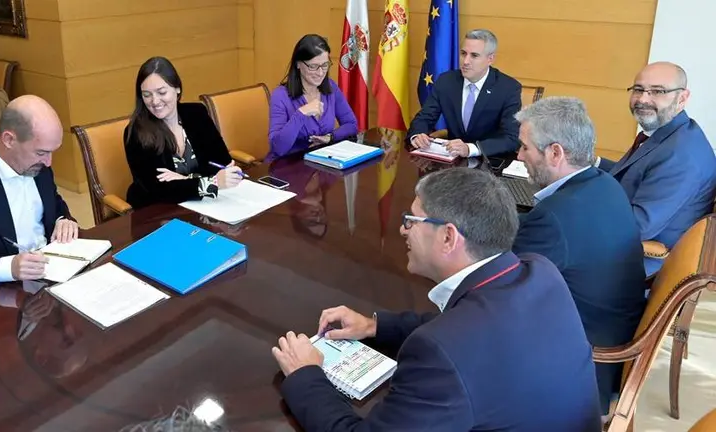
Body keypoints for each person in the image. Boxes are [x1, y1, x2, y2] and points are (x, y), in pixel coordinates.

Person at [271, 168, 602, 431]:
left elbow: (450, 342)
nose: (403, 230)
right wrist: (375, 326)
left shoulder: (439, 353)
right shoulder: (538, 271)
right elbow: (463, 328)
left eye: (411, 221)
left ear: (448, 237)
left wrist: (305, 374)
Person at [512, 96, 647, 416]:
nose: (519, 155)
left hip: (582, 368)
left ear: (555, 152)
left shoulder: (555, 216)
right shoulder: (603, 184)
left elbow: (501, 288)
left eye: (525, 147)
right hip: (609, 330)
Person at [0, 95, 79, 290]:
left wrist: (62, 219)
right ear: (9, 139)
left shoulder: (37, 165)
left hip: (55, 274)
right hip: (3, 295)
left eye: (52, 152)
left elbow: (54, 201)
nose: (48, 162)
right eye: (41, 152)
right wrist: (9, 267)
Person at [597, 62, 716, 275]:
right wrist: (592, 162)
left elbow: (638, 227)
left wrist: (578, 212)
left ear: (682, 98)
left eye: (658, 91)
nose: (643, 99)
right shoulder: (670, 134)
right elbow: (637, 176)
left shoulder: (681, 154)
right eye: (638, 89)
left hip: (633, 266)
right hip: (620, 248)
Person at [123, 56, 244, 209]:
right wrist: (210, 183)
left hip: (203, 206)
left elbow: (220, 162)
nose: (154, 101)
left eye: (161, 92)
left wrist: (183, 179)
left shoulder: (196, 114)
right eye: (147, 95)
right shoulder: (136, 132)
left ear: (177, 89)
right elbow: (158, 189)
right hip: (157, 212)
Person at [407, 29, 522, 158]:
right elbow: (425, 117)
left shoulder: (508, 88)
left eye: (474, 55)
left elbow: (512, 138)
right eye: (463, 53)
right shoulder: (446, 81)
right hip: (452, 159)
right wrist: (417, 135)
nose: (466, 61)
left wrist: (470, 148)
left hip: (490, 161)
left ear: (490, 59)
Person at [267, 34, 358, 161]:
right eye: (313, 66)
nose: (320, 73)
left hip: (320, 163)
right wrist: (301, 113)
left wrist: (330, 137)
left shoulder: (331, 87)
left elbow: (351, 125)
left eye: (325, 65)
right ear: (298, 64)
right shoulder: (280, 95)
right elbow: (278, 148)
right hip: (288, 166)